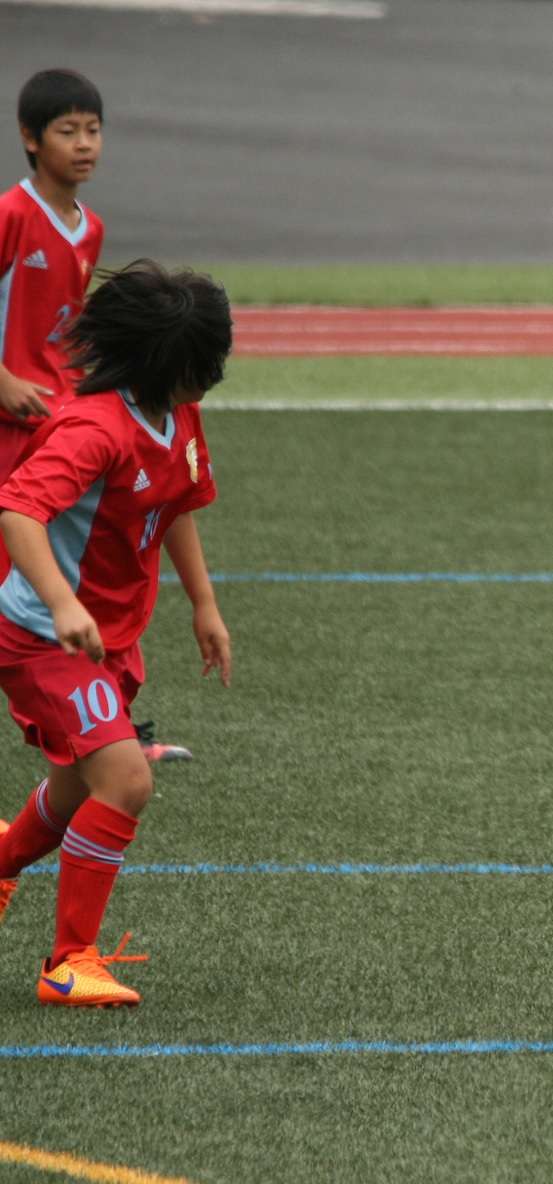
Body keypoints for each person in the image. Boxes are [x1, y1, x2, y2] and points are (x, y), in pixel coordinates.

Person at [0, 259, 233, 1008]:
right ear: (173, 362)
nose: (219, 372)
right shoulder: (93, 428)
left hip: (110, 638)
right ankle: (69, 961)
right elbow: (18, 514)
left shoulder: (177, 412)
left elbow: (179, 502)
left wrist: (204, 603)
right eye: (210, 360)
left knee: (76, 788)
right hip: (43, 637)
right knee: (126, 780)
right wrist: (65, 605)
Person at [3, 68, 191, 762]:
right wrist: (4, 381)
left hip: (53, 422)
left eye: (94, 129)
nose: (85, 144)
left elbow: (71, 329)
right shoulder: (11, 216)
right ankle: (90, 733)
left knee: (105, 558)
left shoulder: (91, 226)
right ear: (29, 138)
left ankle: (104, 725)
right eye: (67, 130)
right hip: (9, 423)